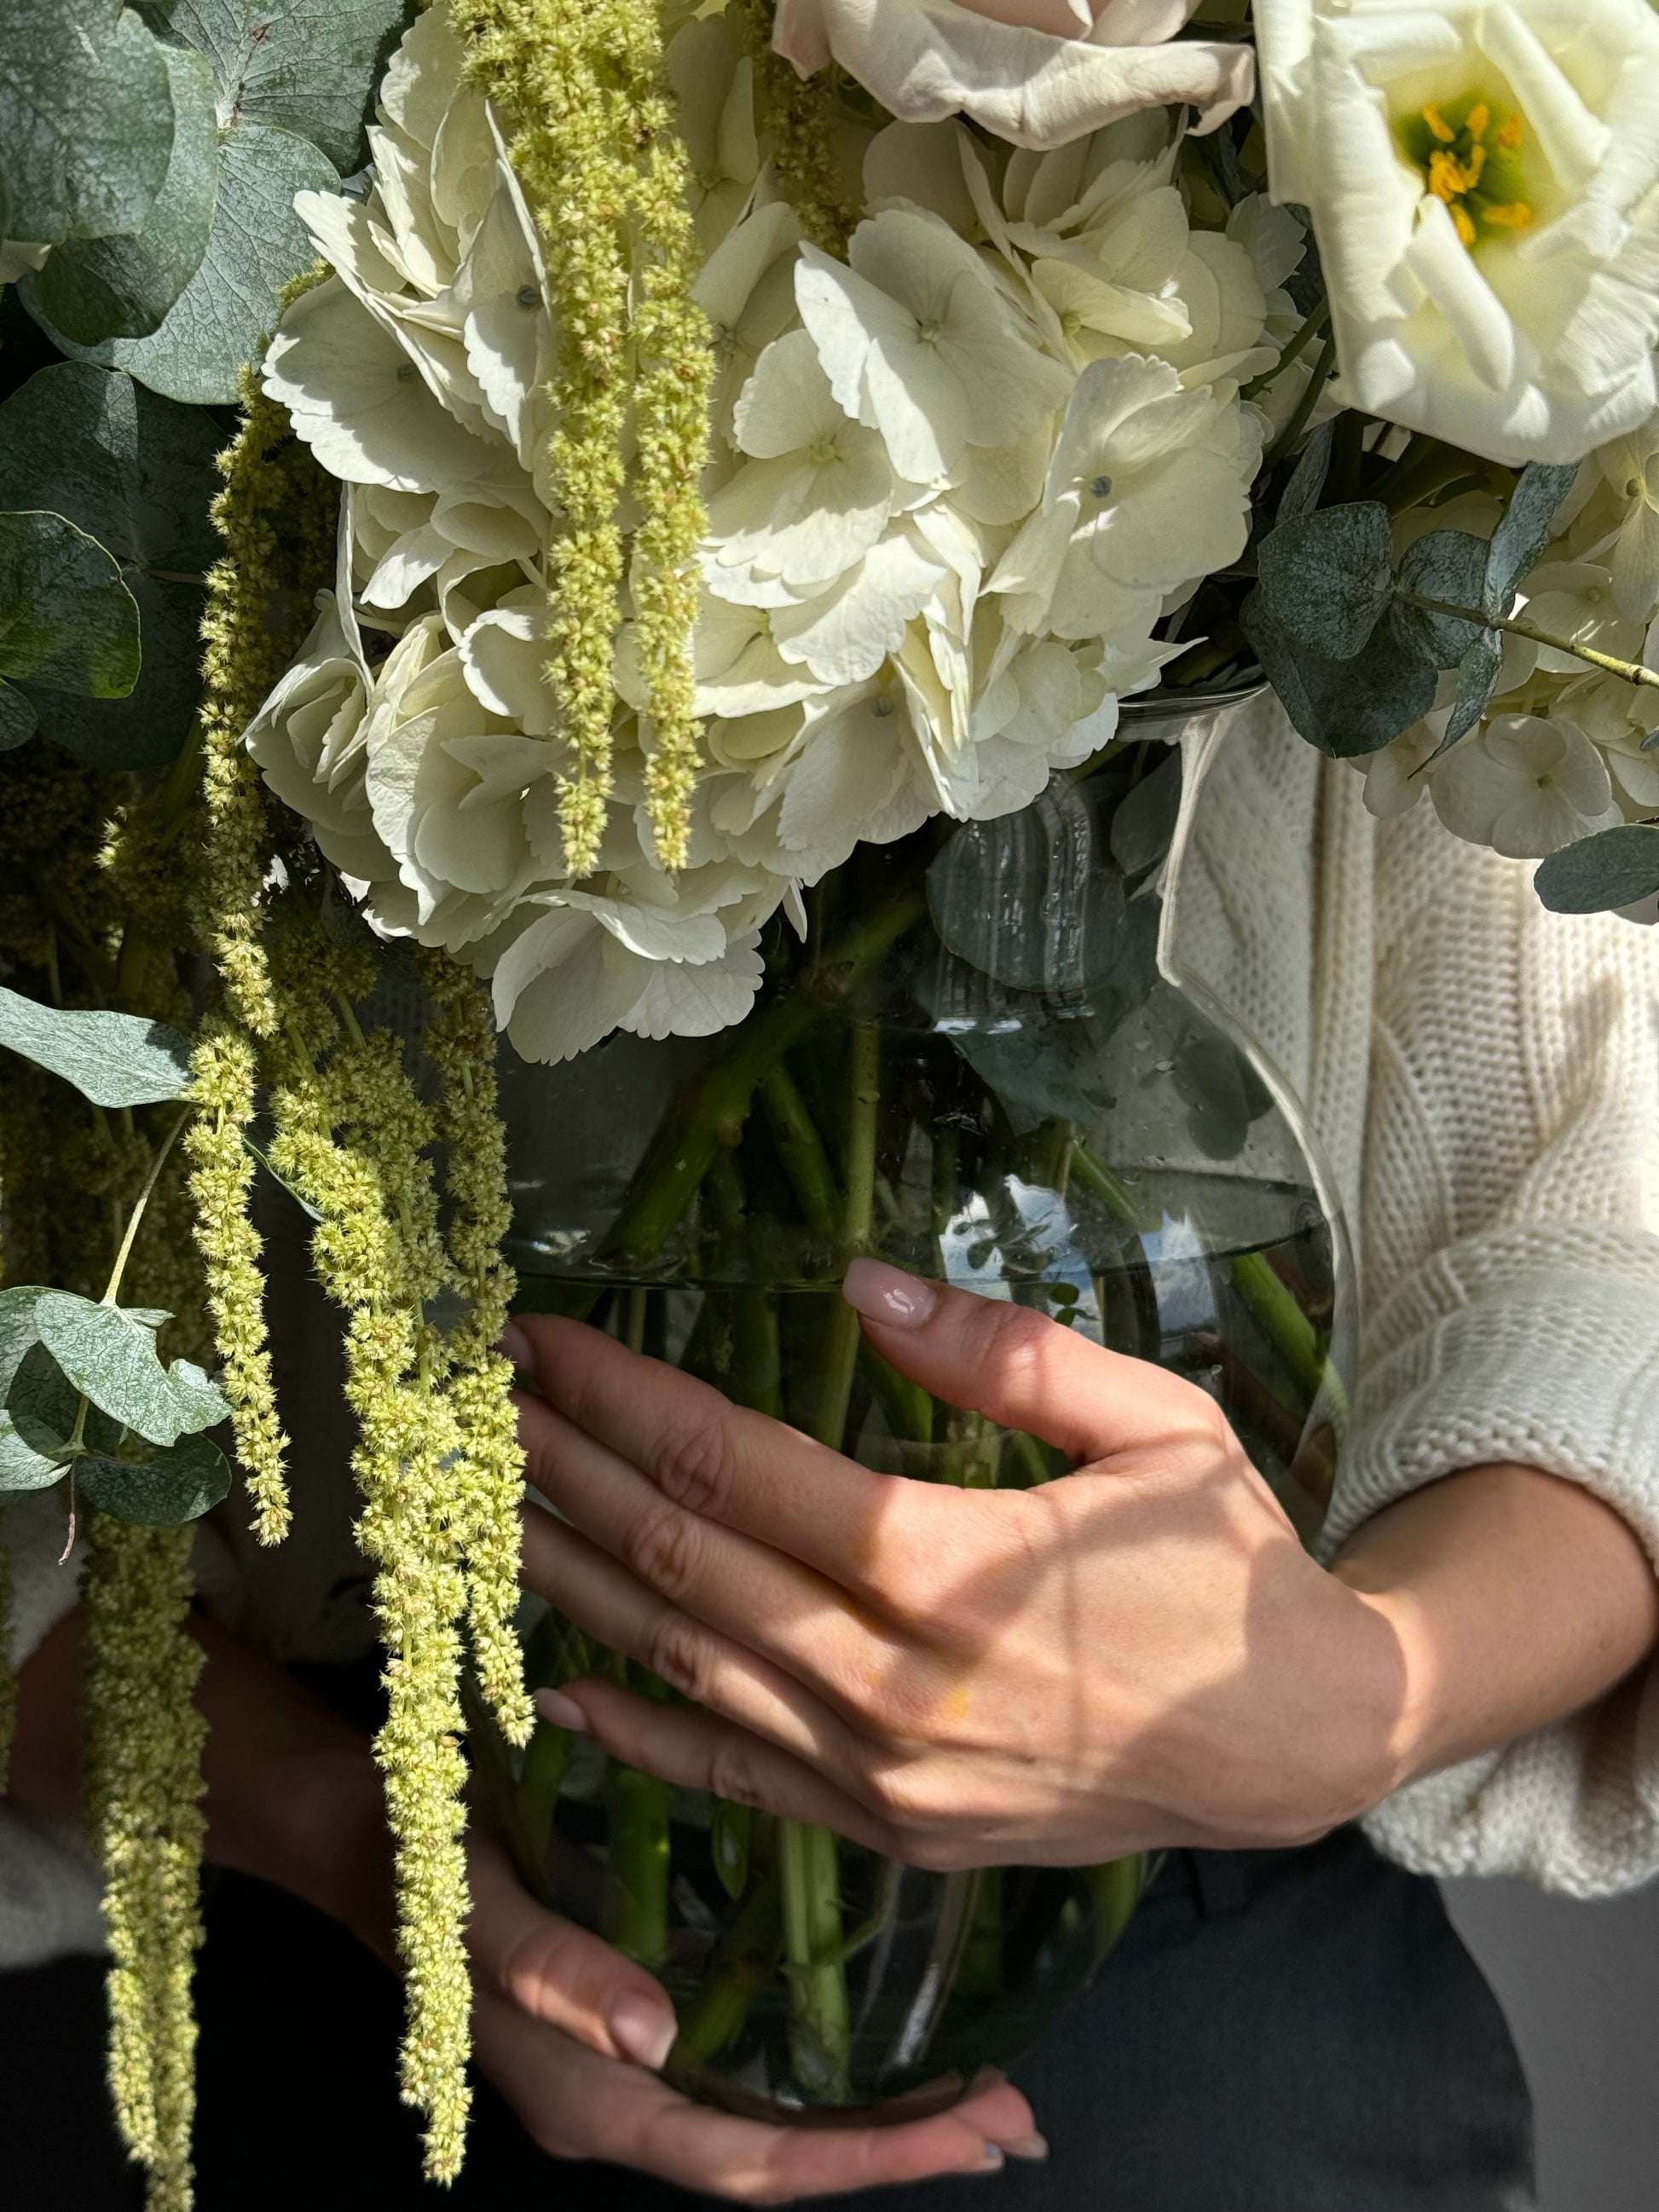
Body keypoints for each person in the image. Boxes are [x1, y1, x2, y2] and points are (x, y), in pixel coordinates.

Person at [7, 702, 1659, 2207]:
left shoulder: (1378, 560)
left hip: (1192, 1979)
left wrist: (1374, 1690)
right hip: (335, 1889)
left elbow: (1601, 1256)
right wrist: (360, 1842)